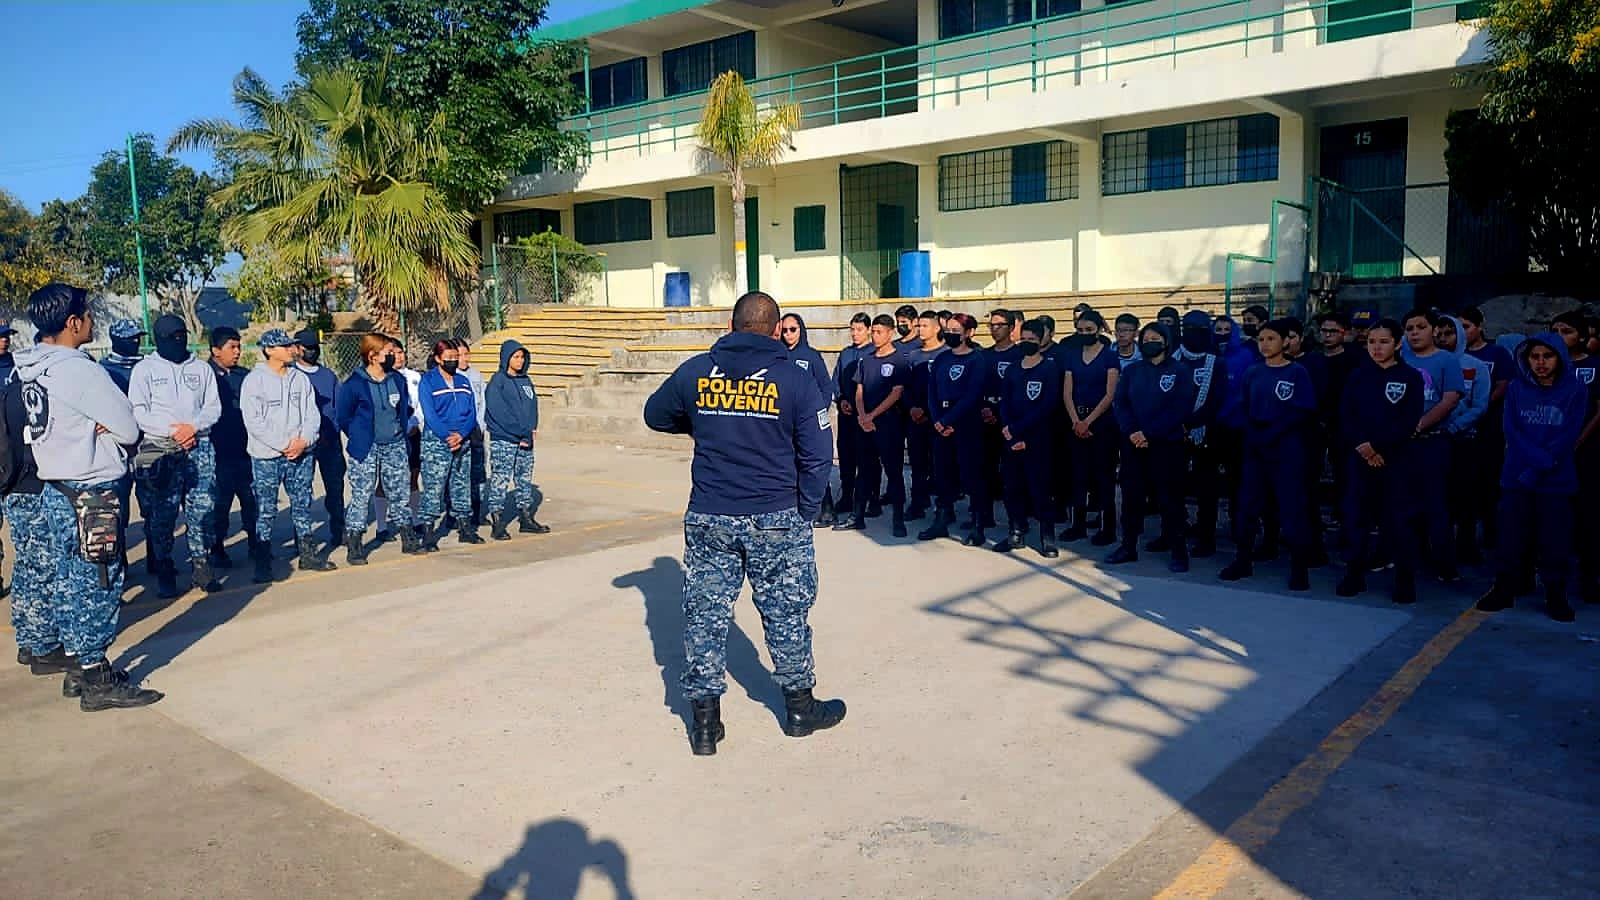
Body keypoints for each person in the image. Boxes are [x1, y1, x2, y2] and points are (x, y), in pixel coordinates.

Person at [643, 291, 843, 756]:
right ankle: (799, 708)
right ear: (777, 331)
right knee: (786, 613)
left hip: (711, 513)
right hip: (776, 516)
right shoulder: (794, 380)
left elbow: (655, 414)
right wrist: (807, 511)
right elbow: (818, 455)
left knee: (705, 618)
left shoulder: (697, 370)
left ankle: (705, 725)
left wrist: (702, 421)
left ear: (731, 326)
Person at [15, 283, 161, 710]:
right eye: (88, 314)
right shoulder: (77, 369)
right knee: (99, 581)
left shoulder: (32, 367)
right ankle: (97, 677)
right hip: (90, 491)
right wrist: (106, 427)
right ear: (72, 322)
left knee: (69, 579)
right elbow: (130, 429)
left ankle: (81, 668)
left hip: (56, 488)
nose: (93, 321)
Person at [1475, 333, 1587, 622]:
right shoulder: (1515, 388)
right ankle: (1504, 588)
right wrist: (1529, 466)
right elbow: (1512, 430)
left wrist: (1538, 468)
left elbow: (1568, 435)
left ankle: (1556, 594)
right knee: (1511, 535)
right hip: (1516, 477)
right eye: (1534, 357)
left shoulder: (1575, 389)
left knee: (1555, 540)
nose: (1540, 363)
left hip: (1555, 479)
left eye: (1547, 357)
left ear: (1559, 358)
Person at [1220, 320, 1318, 590]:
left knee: (1292, 507)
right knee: (1249, 505)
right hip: (1255, 448)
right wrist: (1255, 434)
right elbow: (1243, 406)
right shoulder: (1253, 372)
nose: (1265, 344)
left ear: (1286, 341)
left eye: (1271, 338)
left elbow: (1301, 410)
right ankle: (1242, 560)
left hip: (1286, 448)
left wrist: (1272, 433)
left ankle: (1299, 568)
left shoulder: (1297, 372)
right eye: (1261, 339)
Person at [129, 315, 222, 597]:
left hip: (199, 446)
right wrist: (172, 432)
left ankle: (201, 566)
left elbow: (213, 407)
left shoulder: (201, 369)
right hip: (160, 449)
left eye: (182, 334)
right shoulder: (145, 370)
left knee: (202, 511)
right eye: (172, 336)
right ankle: (165, 568)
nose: (179, 340)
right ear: (159, 338)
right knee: (163, 515)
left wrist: (192, 428)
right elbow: (138, 410)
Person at [1336, 319, 1425, 604]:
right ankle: (1354, 574)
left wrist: (1380, 448)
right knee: (1358, 517)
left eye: (1384, 341)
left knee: (1400, 521)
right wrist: (1363, 446)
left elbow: (1410, 419)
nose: (1377, 347)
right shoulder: (1358, 376)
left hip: (1397, 459)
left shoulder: (1411, 376)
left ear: (1398, 344)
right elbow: (1347, 415)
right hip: (1361, 459)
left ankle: (1404, 580)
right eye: (1372, 341)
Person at [242, 329, 335, 582]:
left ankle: (307, 553)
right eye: (284, 346)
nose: (292, 350)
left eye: (291, 345)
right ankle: (263, 561)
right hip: (267, 457)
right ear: (269, 350)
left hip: (301, 454)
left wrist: (304, 441)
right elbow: (254, 422)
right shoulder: (254, 381)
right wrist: (285, 444)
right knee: (267, 509)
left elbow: (312, 414)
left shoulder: (299, 378)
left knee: (302, 503)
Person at [1109, 322, 1195, 571]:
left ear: (1166, 342)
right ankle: (1128, 546)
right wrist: (1133, 431)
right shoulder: (1133, 371)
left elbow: (1180, 409)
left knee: (1170, 500)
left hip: (1167, 446)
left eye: (1156, 338)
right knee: (1131, 498)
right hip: (1134, 445)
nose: (1150, 343)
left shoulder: (1180, 371)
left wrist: (1149, 433)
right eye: (1146, 339)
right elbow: (1120, 404)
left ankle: (1178, 551)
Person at [5, 362, 68, 680]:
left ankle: (28, 639)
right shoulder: (34, 394)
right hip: (33, 487)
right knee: (44, 568)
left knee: (28, 568)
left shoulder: (11, 391)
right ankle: (44, 648)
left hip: (15, 488)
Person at [336, 334, 422, 562]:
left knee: (400, 492)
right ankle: (355, 543)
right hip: (366, 448)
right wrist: (359, 437)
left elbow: (403, 410)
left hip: (394, 444)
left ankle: (408, 537)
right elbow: (343, 417)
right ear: (373, 356)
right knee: (362, 495)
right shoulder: (354, 384)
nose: (393, 355)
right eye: (388, 352)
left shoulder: (397, 380)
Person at [1401, 309, 1466, 581]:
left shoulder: (1447, 361)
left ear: (1433, 331)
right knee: (1402, 504)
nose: (1415, 332)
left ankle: (1443, 563)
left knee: (1436, 505)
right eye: (1409, 328)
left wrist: (1418, 426)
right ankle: (1405, 557)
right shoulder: (1399, 359)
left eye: (1421, 326)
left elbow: (1449, 399)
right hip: (1400, 445)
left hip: (1433, 441)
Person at [993, 320, 1062, 558]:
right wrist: (1008, 429)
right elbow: (1005, 402)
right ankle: (1015, 531)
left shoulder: (1050, 368)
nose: (1028, 344)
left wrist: (1019, 430)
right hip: (1011, 437)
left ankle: (1047, 537)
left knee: (1040, 488)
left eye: (1033, 340)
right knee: (1012, 487)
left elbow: (1047, 406)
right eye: (1024, 339)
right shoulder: (1013, 369)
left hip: (1037, 439)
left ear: (1042, 340)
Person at [922, 313, 987, 546]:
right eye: (947, 330)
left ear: (969, 333)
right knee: (942, 473)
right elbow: (932, 392)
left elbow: (972, 396)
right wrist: (938, 420)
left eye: (955, 331)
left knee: (971, 474)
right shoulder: (941, 359)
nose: (950, 335)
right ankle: (941, 519)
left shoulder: (977, 360)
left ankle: (978, 524)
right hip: (941, 423)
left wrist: (949, 420)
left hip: (966, 423)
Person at [1060, 310, 1121, 547]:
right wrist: (1076, 420)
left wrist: (1089, 421)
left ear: (1098, 329)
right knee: (1078, 476)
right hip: (1076, 422)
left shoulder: (1109, 356)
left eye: (1089, 330)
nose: (1085, 334)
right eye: (1080, 330)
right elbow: (1067, 392)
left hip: (1102, 424)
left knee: (1104, 477)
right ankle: (1078, 525)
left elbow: (1110, 393)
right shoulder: (1072, 356)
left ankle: (1108, 528)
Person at [418, 338, 484, 549]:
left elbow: (472, 412)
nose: (454, 362)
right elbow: (430, 414)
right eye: (449, 358)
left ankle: (465, 527)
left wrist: (461, 434)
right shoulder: (428, 381)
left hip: (462, 441)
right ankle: (428, 532)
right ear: (438, 359)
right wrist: (448, 436)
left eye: (456, 358)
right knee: (434, 488)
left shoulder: (464, 382)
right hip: (437, 443)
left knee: (462, 485)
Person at [1459, 306, 1514, 555]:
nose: (1462, 332)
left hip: (1489, 427)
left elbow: (1504, 385)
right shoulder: (1451, 356)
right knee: (1463, 487)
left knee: (1490, 483)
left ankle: (1492, 534)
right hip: (1458, 430)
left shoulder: (1497, 354)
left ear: (1480, 326)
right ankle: (1465, 539)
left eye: (1467, 326)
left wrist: (1480, 407)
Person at [1554, 311, 1600, 604]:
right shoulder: (1545, 365)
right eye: (1554, 329)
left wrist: (1576, 441)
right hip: (1549, 452)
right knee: (1553, 517)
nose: (1559, 335)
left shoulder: (1596, 366)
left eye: (1566, 331)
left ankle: (1589, 576)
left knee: (1588, 517)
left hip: (1587, 454)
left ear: (1582, 336)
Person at [483, 338, 550, 540]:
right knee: (500, 479)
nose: (520, 361)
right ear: (506, 358)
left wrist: (532, 428)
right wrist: (519, 432)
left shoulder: (526, 381)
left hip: (525, 439)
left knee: (524, 479)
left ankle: (526, 518)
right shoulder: (498, 382)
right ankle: (498, 522)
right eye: (516, 357)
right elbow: (499, 412)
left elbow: (532, 407)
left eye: (522, 357)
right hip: (505, 439)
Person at [851, 314, 911, 537]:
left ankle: (898, 517)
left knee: (893, 471)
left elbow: (896, 393)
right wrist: (862, 415)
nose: (875, 336)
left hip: (888, 424)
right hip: (865, 424)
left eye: (879, 332)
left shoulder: (899, 361)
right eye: (873, 332)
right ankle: (857, 515)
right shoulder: (866, 360)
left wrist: (873, 415)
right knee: (864, 470)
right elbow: (859, 390)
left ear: (890, 333)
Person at [1175, 310, 1227, 557]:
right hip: (1174, 431)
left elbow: (1216, 398)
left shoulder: (1216, 361)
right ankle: (1172, 532)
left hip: (1207, 433)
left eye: (1200, 329)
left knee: (1207, 488)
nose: (1194, 334)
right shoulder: (1173, 358)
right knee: (1173, 485)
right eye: (1189, 328)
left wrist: (1194, 421)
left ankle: (1206, 537)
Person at [206, 326, 259, 570]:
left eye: (239, 346)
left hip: (245, 451)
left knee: (251, 501)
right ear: (216, 350)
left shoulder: (245, 376)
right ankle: (216, 548)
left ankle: (255, 543)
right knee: (221, 505)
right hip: (219, 454)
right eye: (232, 347)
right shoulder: (205, 376)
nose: (237, 352)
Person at [779, 313, 836, 525]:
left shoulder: (811, 356)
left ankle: (827, 508)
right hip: (785, 422)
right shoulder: (779, 355)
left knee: (813, 465)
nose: (788, 334)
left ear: (801, 330)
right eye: (784, 330)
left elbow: (826, 386)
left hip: (807, 422)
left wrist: (816, 413)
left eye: (792, 329)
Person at [293, 329, 347, 543]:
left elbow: (338, 407)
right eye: (308, 348)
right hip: (303, 443)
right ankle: (302, 537)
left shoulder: (328, 376)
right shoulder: (292, 376)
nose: (312, 352)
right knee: (301, 493)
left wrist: (330, 431)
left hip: (329, 441)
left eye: (315, 348)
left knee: (335, 489)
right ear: (297, 348)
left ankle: (338, 528)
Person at [830, 314, 876, 531]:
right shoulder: (846, 353)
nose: (855, 333)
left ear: (868, 330)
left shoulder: (873, 353)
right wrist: (841, 400)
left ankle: (870, 500)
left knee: (867, 459)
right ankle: (847, 496)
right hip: (846, 414)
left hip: (867, 415)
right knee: (846, 457)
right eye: (852, 329)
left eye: (859, 329)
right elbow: (836, 380)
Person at [978, 309, 1022, 529]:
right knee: (986, 468)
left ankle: (1017, 520)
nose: (995, 329)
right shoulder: (984, 356)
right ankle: (984, 516)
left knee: (1013, 472)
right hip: (987, 418)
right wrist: (985, 408)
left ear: (1012, 327)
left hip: (1011, 420)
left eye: (1000, 325)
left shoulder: (1020, 355)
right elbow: (977, 387)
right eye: (991, 325)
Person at [903, 310, 946, 520]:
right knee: (917, 463)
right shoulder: (913, 356)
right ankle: (918, 503)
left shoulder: (946, 354)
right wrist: (912, 408)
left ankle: (943, 507)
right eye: (918, 326)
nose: (920, 329)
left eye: (924, 326)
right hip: (916, 419)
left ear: (937, 328)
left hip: (938, 419)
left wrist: (931, 412)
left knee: (941, 464)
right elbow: (905, 387)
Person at [454, 337, 489, 528]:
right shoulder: (452, 376)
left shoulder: (476, 375)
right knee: (458, 473)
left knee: (478, 471)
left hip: (476, 430)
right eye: (460, 355)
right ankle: (456, 512)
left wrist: (481, 425)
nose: (464, 358)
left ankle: (477, 510)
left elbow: (482, 401)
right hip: (459, 432)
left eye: (467, 354)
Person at [99, 318, 146, 394]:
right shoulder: (103, 369)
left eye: (138, 337)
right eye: (131, 337)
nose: (136, 341)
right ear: (117, 340)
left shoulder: (144, 364)